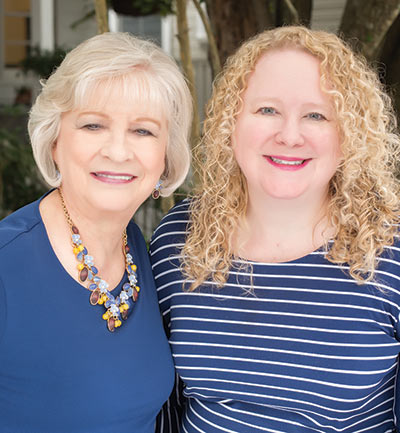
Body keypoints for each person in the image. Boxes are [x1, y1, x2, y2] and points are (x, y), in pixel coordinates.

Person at [150, 25, 400, 433]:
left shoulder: (390, 250)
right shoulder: (179, 238)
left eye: (316, 115)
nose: (289, 135)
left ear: (350, 134)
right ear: (231, 122)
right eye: (267, 110)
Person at [0, 31, 192, 433]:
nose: (118, 151)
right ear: (54, 141)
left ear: (165, 156)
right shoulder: (7, 265)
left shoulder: (142, 250)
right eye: (93, 125)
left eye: (143, 131)